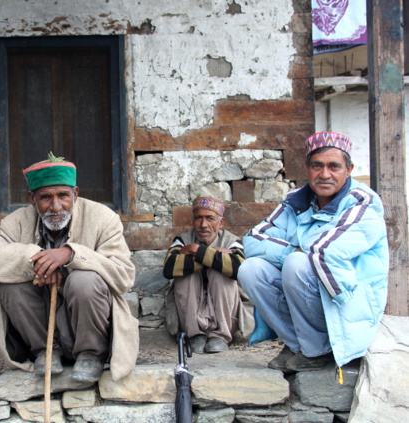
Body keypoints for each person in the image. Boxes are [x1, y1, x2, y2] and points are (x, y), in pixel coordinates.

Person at [0, 153, 138, 383]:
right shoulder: (16, 222)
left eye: (63, 196)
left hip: (87, 326)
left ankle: (91, 354)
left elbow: (124, 277)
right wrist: (37, 259)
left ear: (75, 194)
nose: (56, 206)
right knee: (10, 286)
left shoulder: (103, 218)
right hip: (41, 329)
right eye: (46, 197)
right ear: (32, 198)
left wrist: (71, 255)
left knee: (84, 281)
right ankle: (45, 352)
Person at [238, 132, 389, 372]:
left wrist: (295, 252)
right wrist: (292, 250)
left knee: (298, 263)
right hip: (314, 298)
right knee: (251, 269)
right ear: (307, 169)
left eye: (334, 166)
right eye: (317, 166)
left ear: (348, 170)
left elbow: (326, 250)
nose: (325, 174)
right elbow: (252, 241)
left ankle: (318, 349)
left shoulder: (363, 201)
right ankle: (300, 346)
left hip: (349, 299)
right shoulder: (296, 201)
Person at [163, 196, 253, 354]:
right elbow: (169, 268)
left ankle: (220, 335)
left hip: (224, 313)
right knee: (187, 275)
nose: (203, 225)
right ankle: (195, 335)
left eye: (210, 218)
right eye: (198, 218)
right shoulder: (182, 240)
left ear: (221, 222)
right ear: (193, 221)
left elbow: (238, 268)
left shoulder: (232, 241)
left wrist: (195, 251)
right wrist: (216, 256)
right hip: (190, 314)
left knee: (222, 273)